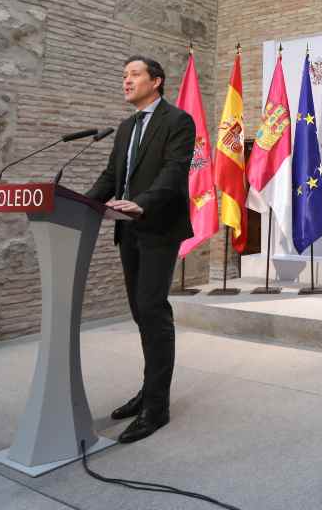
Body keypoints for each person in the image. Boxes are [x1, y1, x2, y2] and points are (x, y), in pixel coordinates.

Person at [87, 55, 195, 443]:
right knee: (140, 313)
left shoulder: (178, 121)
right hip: (127, 230)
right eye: (123, 76)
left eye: (134, 74)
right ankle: (148, 392)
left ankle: (157, 408)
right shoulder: (125, 127)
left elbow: (173, 172)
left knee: (153, 310)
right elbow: (111, 175)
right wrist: (81, 205)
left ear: (157, 81)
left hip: (158, 227)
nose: (126, 81)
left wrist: (144, 202)